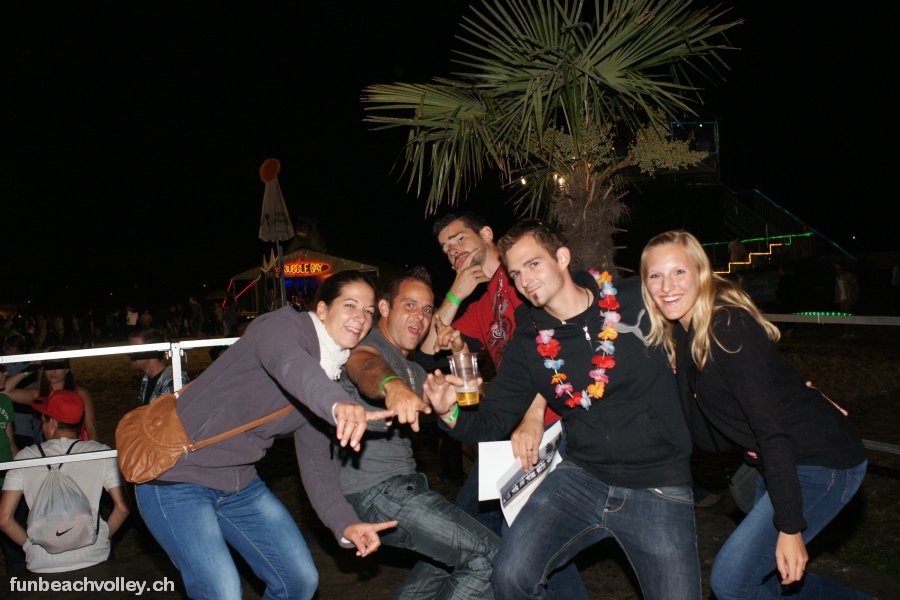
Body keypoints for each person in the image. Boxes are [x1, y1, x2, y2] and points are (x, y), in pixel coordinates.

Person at [425, 219, 699, 600]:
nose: (525, 280)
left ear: (563, 258)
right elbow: (493, 419)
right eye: (516, 273)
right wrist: (449, 412)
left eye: (533, 264)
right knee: (511, 574)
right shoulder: (529, 342)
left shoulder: (634, 299)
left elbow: (700, 314)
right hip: (582, 477)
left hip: (658, 482)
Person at [134, 270, 398, 600]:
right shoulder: (280, 327)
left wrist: (345, 523)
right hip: (175, 476)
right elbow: (289, 364)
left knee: (299, 581)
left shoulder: (328, 378)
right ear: (322, 309)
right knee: (222, 592)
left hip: (238, 483)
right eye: (350, 305)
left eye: (369, 310)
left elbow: (317, 463)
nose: (361, 317)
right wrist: (337, 404)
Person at [640, 230, 871, 600]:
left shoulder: (727, 327)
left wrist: (790, 527)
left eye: (678, 272)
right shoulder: (685, 333)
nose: (667, 286)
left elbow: (771, 429)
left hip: (820, 461)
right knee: (769, 580)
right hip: (776, 460)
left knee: (732, 582)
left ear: (701, 273)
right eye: (656, 275)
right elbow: (706, 436)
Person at [337, 267, 500, 598]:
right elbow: (363, 365)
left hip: (398, 490)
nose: (421, 316)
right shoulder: (369, 346)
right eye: (409, 305)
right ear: (385, 308)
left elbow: (462, 402)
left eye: (427, 309)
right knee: (490, 558)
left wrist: (459, 357)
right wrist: (391, 385)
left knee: (444, 564)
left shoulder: (412, 369)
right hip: (379, 491)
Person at [422, 212, 553, 538]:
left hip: (547, 423)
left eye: (459, 239)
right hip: (505, 425)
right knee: (474, 527)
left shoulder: (520, 276)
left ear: (486, 233)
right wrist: (456, 293)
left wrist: (534, 415)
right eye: (445, 249)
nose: (452, 250)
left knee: (519, 536)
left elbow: (547, 343)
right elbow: (427, 352)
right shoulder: (482, 306)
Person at [0, 389, 131, 573]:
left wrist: (30, 546)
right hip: (94, 556)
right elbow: (123, 507)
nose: (42, 425)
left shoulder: (25, 458)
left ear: (53, 423)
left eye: (43, 420)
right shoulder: (101, 453)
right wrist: (102, 536)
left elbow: (4, 519)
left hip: (43, 563)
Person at [3, 353, 98, 442]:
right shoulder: (39, 394)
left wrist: (90, 451)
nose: (53, 371)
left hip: (76, 446)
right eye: (49, 366)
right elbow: (5, 391)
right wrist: (29, 369)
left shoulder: (79, 393)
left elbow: (91, 429)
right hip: (49, 447)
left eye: (58, 366)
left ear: (67, 368)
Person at [127, 329, 190, 405]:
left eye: (134, 351)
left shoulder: (172, 382)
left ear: (150, 352)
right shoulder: (146, 379)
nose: (129, 355)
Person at [834, 263, 860, 339]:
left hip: (850, 298)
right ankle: (848, 332)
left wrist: (858, 295)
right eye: (837, 268)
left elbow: (856, 285)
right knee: (845, 316)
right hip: (842, 298)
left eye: (839, 268)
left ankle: (851, 332)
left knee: (848, 315)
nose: (838, 269)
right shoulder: (837, 277)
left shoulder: (849, 276)